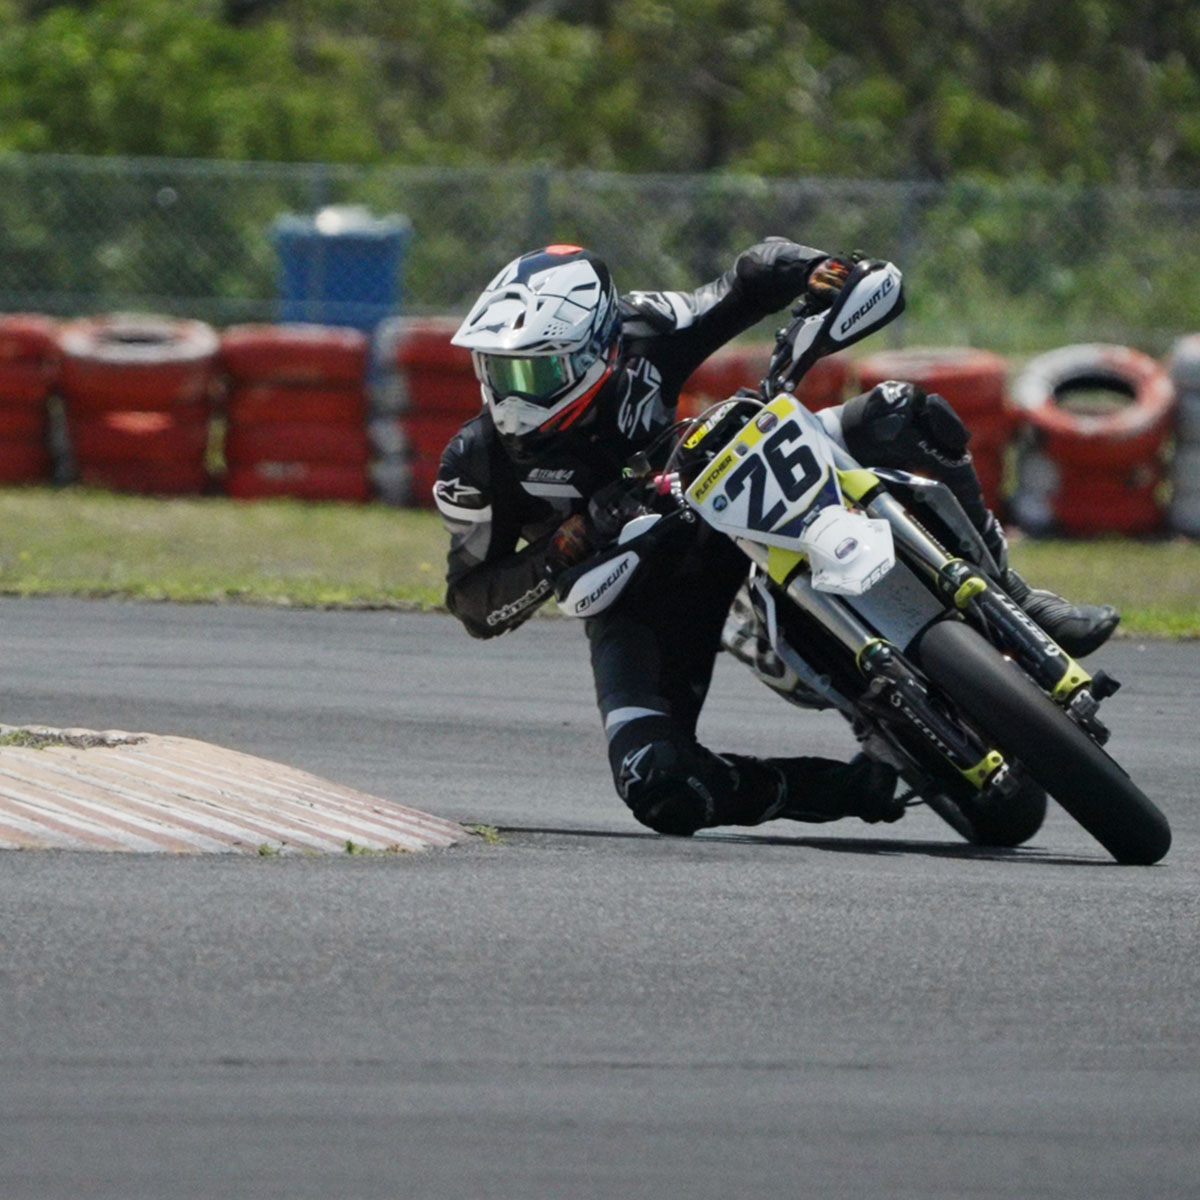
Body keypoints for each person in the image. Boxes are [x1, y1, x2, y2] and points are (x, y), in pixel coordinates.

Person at [433, 240, 1118, 838]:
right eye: (497, 370)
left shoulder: (644, 326)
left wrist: (816, 270)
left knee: (900, 412)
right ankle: (843, 789)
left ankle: (1012, 593)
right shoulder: (475, 463)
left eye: (533, 371)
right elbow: (472, 602)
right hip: (638, 589)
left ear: (598, 348)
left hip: (726, 480)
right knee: (656, 781)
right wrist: (566, 545)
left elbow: (747, 278)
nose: (511, 399)